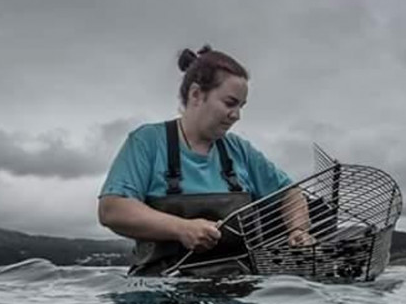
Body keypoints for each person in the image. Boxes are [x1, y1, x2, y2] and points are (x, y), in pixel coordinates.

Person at [98, 45, 313, 276]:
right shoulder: (147, 142)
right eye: (230, 103)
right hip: (162, 290)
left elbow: (289, 193)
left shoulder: (240, 150)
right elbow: (112, 209)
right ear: (196, 94)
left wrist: (298, 230)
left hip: (237, 288)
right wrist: (181, 228)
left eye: (241, 106)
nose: (237, 115)